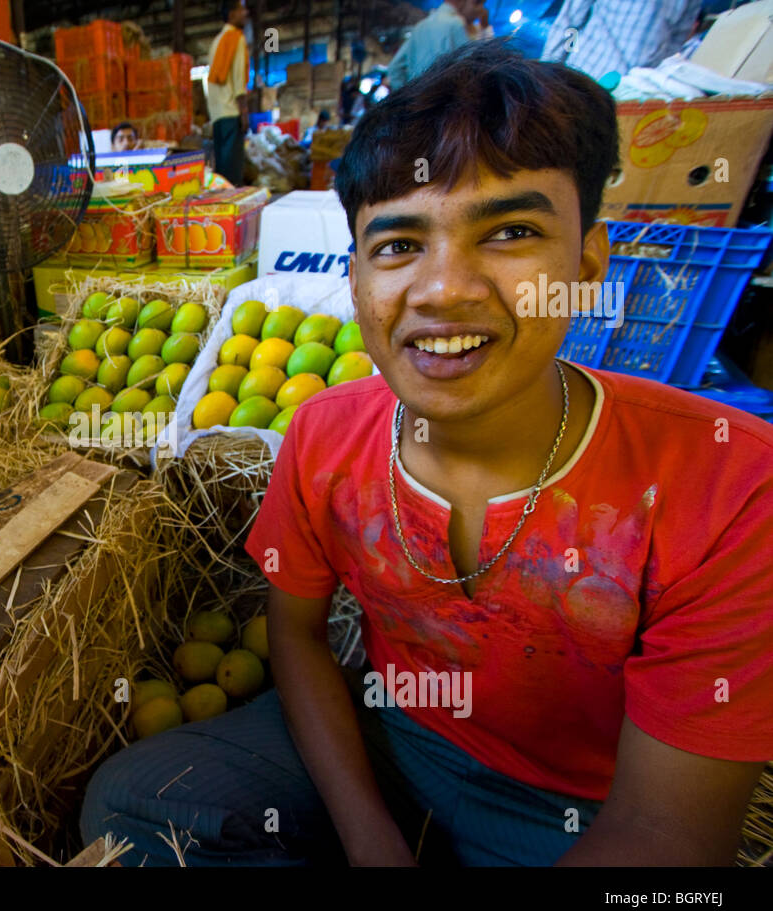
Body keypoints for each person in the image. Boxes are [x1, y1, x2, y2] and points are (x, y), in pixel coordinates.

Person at [79, 38, 773, 867]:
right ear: (358, 278)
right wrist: (369, 836)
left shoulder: (730, 485)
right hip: (394, 737)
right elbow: (296, 636)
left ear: (586, 266)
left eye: (510, 230)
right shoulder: (325, 434)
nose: (443, 289)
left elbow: (669, 837)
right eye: (400, 244)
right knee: (132, 808)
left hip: (578, 810)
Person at [540, 0, 701, 82]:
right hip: (586, 78)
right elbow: (570, 21)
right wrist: (547, 75)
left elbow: (678, 37)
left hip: (638, 90)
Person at [385, 1, 489, 92]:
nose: (481, 10)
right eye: (477, 3)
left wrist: (408, 98)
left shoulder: (421, 26)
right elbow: (473, 68)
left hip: (419, 104)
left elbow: (395, 67)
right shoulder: (455, 25)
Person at [205, 0, 249, 185]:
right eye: (241, 9)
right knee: (233, 175)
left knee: (222, 174)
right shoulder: (236, 39)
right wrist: (244, 113)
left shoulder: (216, 42)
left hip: (217, 116)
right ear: (231, 15)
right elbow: (239, 81)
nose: (245, 13)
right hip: (231, 113)